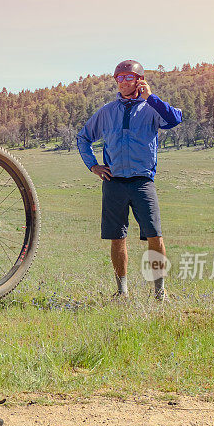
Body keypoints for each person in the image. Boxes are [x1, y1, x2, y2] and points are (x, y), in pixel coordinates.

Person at [76, 59, 182, 300]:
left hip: (142, 182)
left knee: (155, 235)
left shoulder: (151, 108)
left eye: (128, 78)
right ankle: (122, 291)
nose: (123, 82)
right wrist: (93, 165)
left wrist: (151, 98)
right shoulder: (106, 111)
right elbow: (83, 138)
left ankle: (159, 291)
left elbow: (175, 120)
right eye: (119, 78)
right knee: (117, 237)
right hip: (114, 182)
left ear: (139, 81)